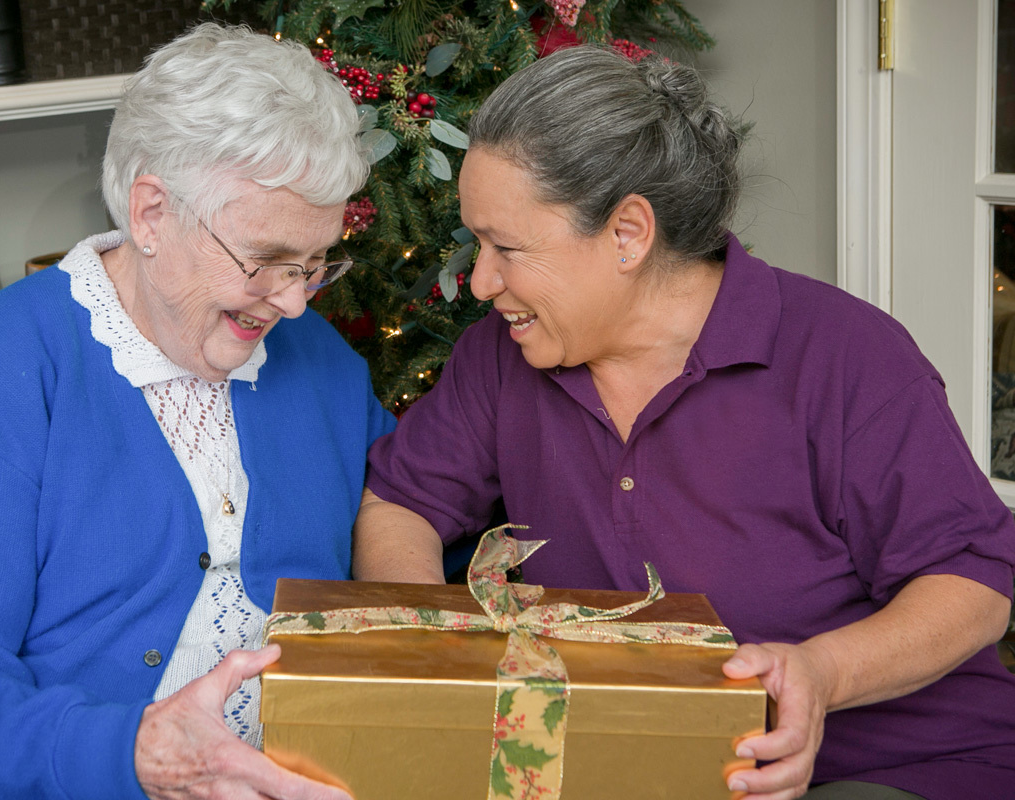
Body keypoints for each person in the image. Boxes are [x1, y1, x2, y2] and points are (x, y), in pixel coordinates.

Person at [354, 45, 1015, 800]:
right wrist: (436, 649)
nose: (479, 281)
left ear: (629, 233)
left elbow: (972, 582)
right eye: (477, 243)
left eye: (506, 247)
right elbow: (401, 503)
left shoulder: (845, 354)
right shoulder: (499, 359)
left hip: (895, 768)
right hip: (638, 770)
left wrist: (823, 674)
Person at [0, 23, 391, 800]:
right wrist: (133, 754)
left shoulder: (316, 361)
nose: (292, 302)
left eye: (314, 264)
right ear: (151, 214)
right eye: (264, 262)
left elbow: (415, 515)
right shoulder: (11, 364)